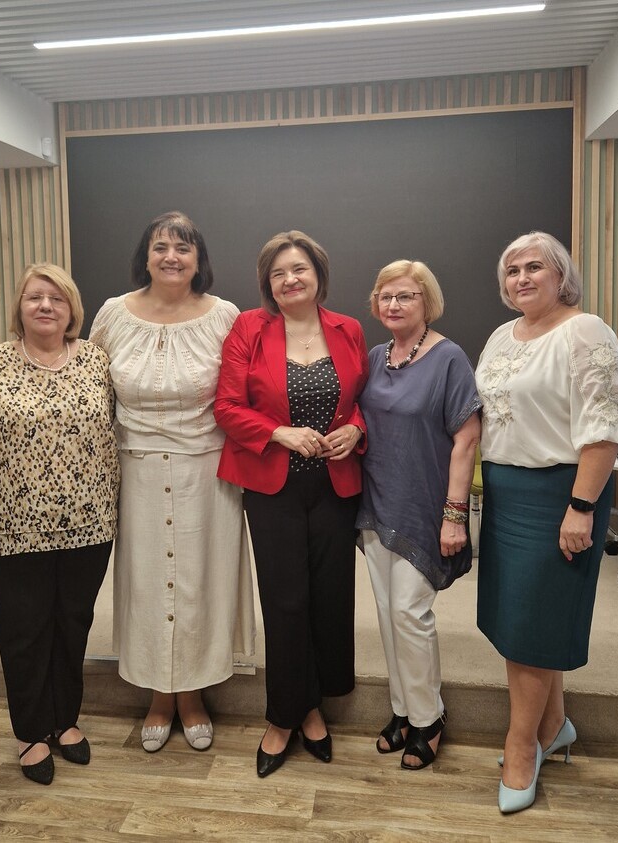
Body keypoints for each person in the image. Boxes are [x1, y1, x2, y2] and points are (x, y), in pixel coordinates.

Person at [0, 262, 119, 785]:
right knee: (24, 630)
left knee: (73, 623)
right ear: (19, 308)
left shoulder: (96, 361)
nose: (45, 306)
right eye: (35, 297)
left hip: (89, 523)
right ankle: (30, 731)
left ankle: (65, 720)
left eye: (57, 298)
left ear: (72, 310)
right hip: (13, 524)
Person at [475, 232, 618, 813]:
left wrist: (582, 507)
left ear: (561, 275)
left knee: (529, 623)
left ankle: (522, 747)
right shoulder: (501, 335)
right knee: (522, 617)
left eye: (534, 266)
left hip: (560, 493)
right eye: (512, 269)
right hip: (505, 491)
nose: (521, 277)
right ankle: (554, 725)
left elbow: (605, 428)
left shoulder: (585, 330)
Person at [89, 211, 254, 754]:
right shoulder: (113, 314)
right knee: (147, 582)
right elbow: (91, 392)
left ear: (198, 259)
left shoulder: (224, 316)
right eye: (161, 246)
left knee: (201, 582)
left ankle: (193, 696)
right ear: (146, 255)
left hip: (206, 471)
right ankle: (159, 696)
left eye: (183, 248)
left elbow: (243, 392)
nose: (171, 257)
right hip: (135, 468)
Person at [214, 230, 368, 778]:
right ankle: (283, 717)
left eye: (299, 268)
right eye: (278, 273)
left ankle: (314, 707)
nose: (289, 279)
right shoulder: (248, 329)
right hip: (272, 487)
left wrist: (357, 429)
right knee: (284, 601)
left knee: (329, 597)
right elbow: (226, 406)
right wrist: (278, 432)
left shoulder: (348, 329)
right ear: (267, 284)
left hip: (334, 486)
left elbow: (365, 401)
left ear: (318, 274)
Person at [356, 259, 481, 771]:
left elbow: (467, 439)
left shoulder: (449, 358)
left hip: (425, 504)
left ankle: (430, 718)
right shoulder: (375, 356)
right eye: (385, 296)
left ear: (427, 302)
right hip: (377, 501)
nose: (394, 304)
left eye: (405, 296)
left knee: (411, 612)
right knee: (388, 613)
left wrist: (455, 516)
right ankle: (403, 711)